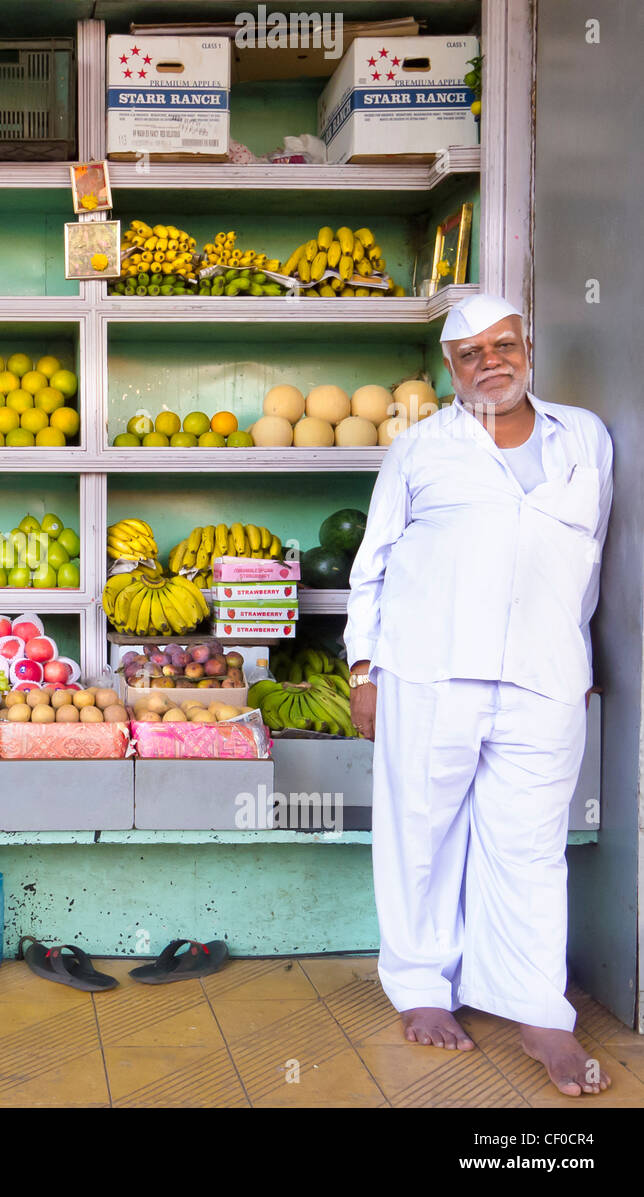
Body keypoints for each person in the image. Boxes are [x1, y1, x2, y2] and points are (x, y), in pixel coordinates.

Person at [344, 293, 614, 1096]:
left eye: (504, 344)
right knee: (421, 832)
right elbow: (373, 565)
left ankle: (537, 1007)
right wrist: (365, 670)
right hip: (430, 670)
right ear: (450, 369)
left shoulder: (585, 438)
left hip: (546, 676)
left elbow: (591, 559)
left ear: (528, 345)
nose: (491, 360)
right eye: (470, 353)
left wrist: (582, 650)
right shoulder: (421, 449)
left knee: (531, 843)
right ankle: (423, 985)